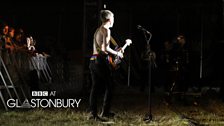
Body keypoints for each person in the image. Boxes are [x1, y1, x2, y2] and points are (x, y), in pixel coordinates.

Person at [88, 10, 124, 121]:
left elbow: (100, 47)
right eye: (113, 18)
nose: (114, 20)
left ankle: (93, 114)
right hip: (100, 61)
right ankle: (105, 112)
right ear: (109, 20)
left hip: (92, 60)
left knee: (95, 87)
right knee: (111, 85)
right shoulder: (106, 30)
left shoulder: (97, 30)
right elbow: (105, 49)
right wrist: (117, 53)